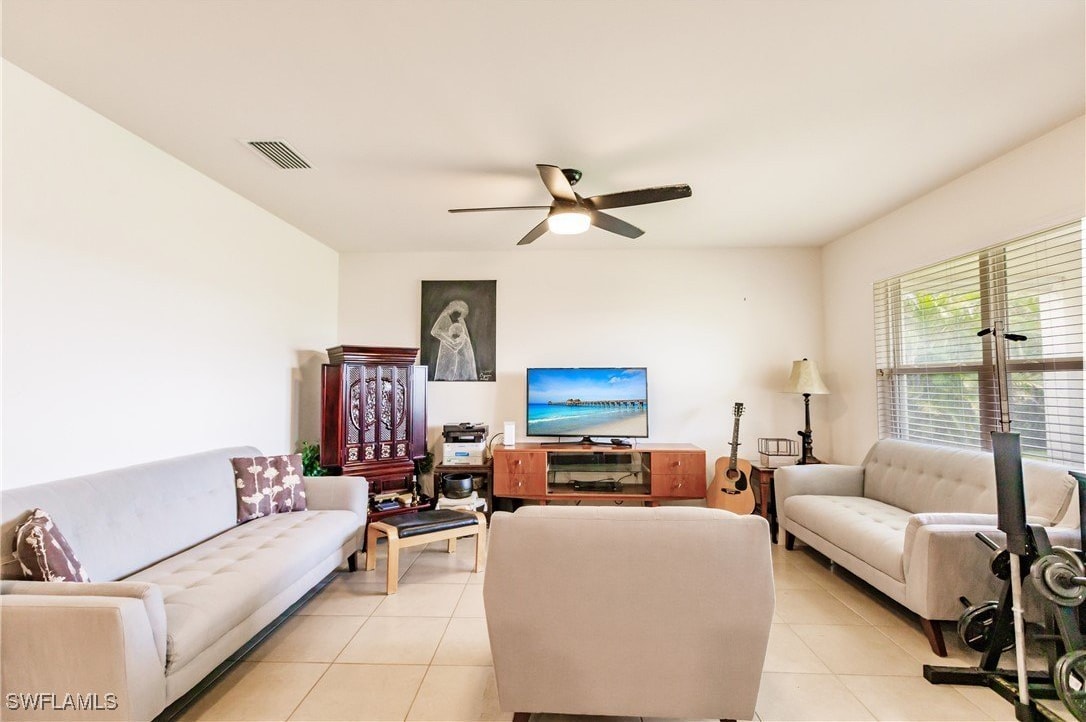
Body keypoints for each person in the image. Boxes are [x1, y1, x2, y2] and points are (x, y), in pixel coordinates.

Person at [431, 299, 477, 381]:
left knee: (459, 373)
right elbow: (434, 331)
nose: (459, 316)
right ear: (452, 309)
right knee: (447, 372)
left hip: (458, 350)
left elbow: (465, 337)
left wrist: (459, 340)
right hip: (447, 348)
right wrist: (448, 339)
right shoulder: (444, 317)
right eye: (458, 313)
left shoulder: (460, 320)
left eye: (461, 314)